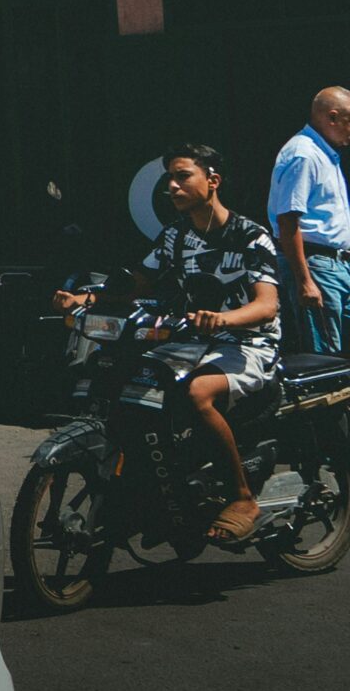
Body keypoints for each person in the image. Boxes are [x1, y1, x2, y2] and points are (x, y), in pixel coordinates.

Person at [56, 145, 282, 542]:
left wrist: (223, 318)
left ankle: (242, 496)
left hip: (249, 343)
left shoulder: (250, 236)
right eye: (170, 180)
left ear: (212, 180)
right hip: (194, 339)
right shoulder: (175, 236)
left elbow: (266, 306)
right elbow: (135, 284)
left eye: (183, 177)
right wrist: (85, 299)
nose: (173, 187)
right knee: (130, 383)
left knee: (198, 393)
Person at [269, 87, 350, 355]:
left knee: (340, 351)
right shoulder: (304, 155)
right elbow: (288, 220)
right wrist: (305, 280)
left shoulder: (325, 153)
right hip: (316, 266)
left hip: (337, 266)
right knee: (324, 356)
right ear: (332, 117)